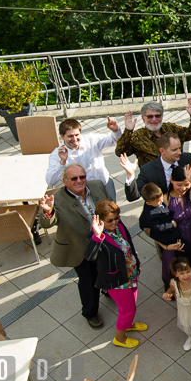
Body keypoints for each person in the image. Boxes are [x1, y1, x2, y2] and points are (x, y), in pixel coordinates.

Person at [38, 164, 110, 329]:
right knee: (88, 281)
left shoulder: (97, 185)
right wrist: (48, 211)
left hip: (104, 241)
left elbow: (109, 206)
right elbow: (46, 223)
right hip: (81, 248)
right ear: (65, 181)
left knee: (107, 269)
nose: (79, 181)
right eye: (74, 178)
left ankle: (108, 290)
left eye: (82, 177)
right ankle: (90, 312)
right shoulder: (58, 199)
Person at [85, 200, 146, 348]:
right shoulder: (97, 236)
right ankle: (120, 338)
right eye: (110, 220)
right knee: (129, 309)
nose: (114, 222)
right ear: (100, 220)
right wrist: (97, 236)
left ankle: (128, 324)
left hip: (130, 274)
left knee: (130, 305)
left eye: (116, 218)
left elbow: (128, 244)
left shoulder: (119, 226)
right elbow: (89, 256)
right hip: (117, 281)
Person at [47, 116, 123, 202]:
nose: (74, 139)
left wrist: (115, 130)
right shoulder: (57, 154)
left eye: (77, 135)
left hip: (103, 185)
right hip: (79, 193)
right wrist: (62, 162)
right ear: (62, 136)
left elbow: (113, 140)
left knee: (112, 213)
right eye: (70, 136)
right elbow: (50, 181)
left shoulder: (91, 140)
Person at [115, 100, 191, 166]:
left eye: (157, 116)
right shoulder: (137, 136)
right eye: (150, 117)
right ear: (143, 119)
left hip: (177, 176)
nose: (154, 119)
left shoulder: (171, 128)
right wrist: (128, 131)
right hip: (153, 178)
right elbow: (120, 152)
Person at [129, 132, 191, 197]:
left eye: (179, 148)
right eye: (174, 150)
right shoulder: (148, 169)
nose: (179, 152)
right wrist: (130, 175)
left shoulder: (188, 158)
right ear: (162, 151)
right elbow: (133, 196)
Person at [137, 182, 187, 289]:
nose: (161, 202)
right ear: (148, 203)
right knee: (172, 263)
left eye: (160, 199)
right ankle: (170, 286)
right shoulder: (149, 215)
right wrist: (172, 224)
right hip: (167, 238)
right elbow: (158, 228)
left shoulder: (157, 204)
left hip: (173, 235)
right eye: (158, 201)